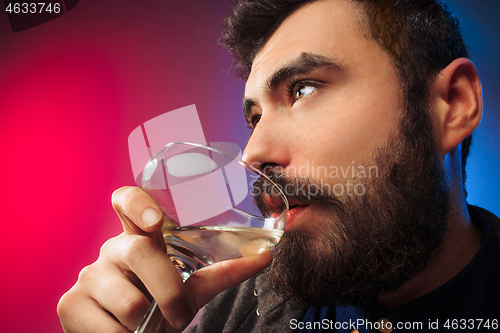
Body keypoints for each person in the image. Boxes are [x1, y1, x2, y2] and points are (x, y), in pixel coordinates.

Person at [57, 0, 500, 332]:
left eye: (303, 90)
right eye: (255, 118)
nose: (252, 155)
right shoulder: (221, 315)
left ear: (454, 105)